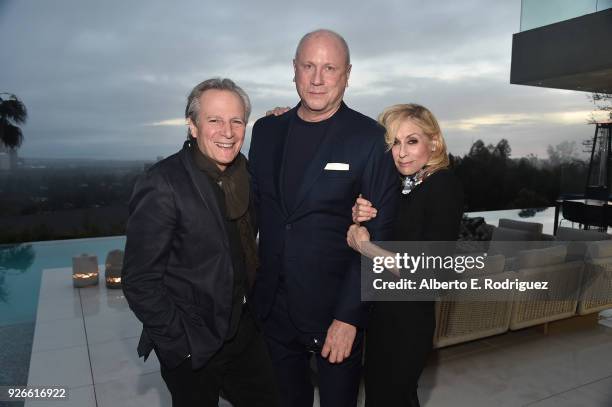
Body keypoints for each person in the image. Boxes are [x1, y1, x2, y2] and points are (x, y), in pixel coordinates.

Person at [248, 29, 398, 407]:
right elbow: (254, 210)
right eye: (308, 66)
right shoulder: (266, 131)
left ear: (347, 74)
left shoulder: (370, 139)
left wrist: (350, 317)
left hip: (334, 312)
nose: (317, 79)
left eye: (329, 68)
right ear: (293, 70)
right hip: (272, 310)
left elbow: (379, 236)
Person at [122, 78, 280, 407]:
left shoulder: (246, 174)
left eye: (237, 121)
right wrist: (180, 344)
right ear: (192, 126)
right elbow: (139, 281)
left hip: (244, 331)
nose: (228, 131)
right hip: (193, 341)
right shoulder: (163, 183)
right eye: (215, 120)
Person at [347, 103, 464, 407]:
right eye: (394, 143)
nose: (401, 153)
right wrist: (363, 214)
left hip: (407, 323)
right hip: (386, 317)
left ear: (434, 142)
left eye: (411, 141)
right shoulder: (407, 186)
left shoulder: (442, 184)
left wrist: (365, 246)